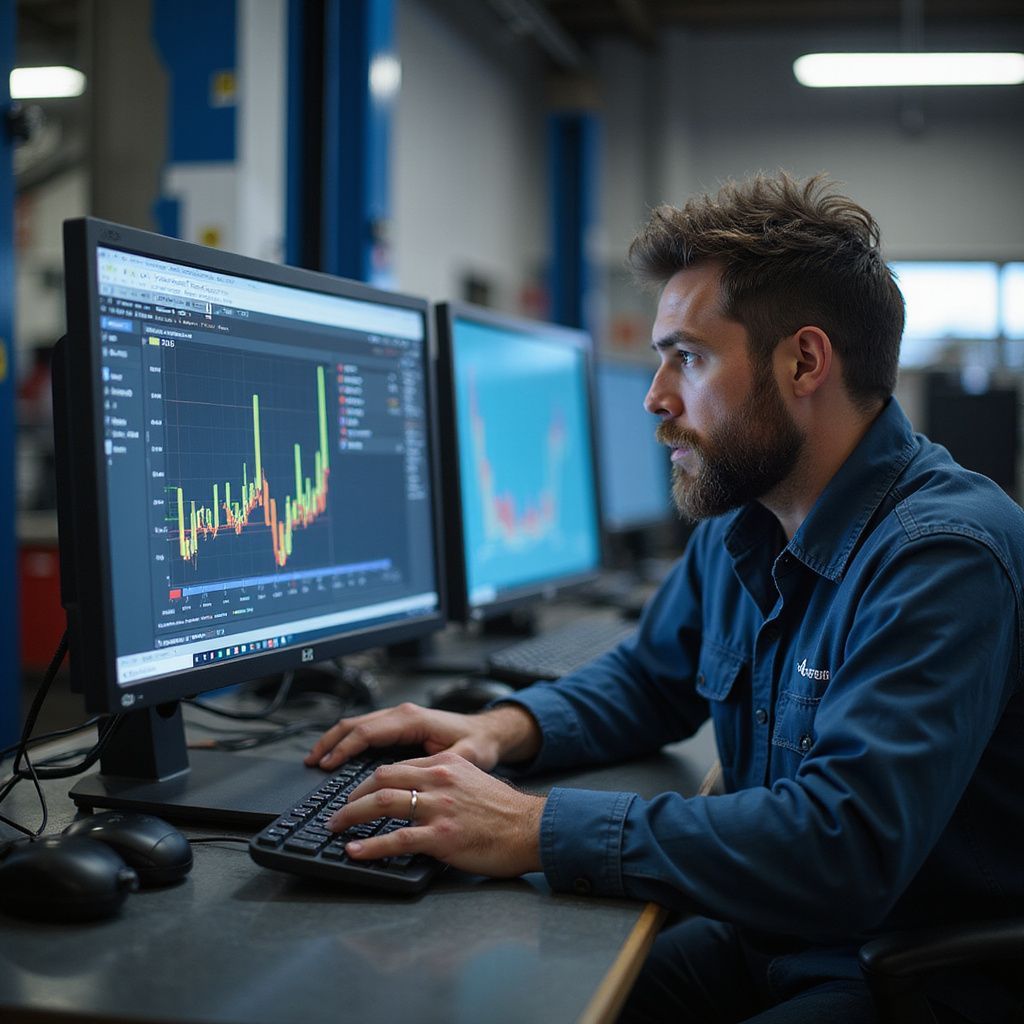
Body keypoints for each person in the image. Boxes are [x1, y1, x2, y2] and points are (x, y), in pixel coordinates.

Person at [305, 173, 1024, 1023]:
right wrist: (499, 730)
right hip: (772, 936)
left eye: (687, 356)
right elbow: (653, 676)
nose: (656, 396)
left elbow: (845, 847)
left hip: (899, 973)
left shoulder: (944, 555)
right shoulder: (748, 520)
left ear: (803, 362)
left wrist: (531, 828)